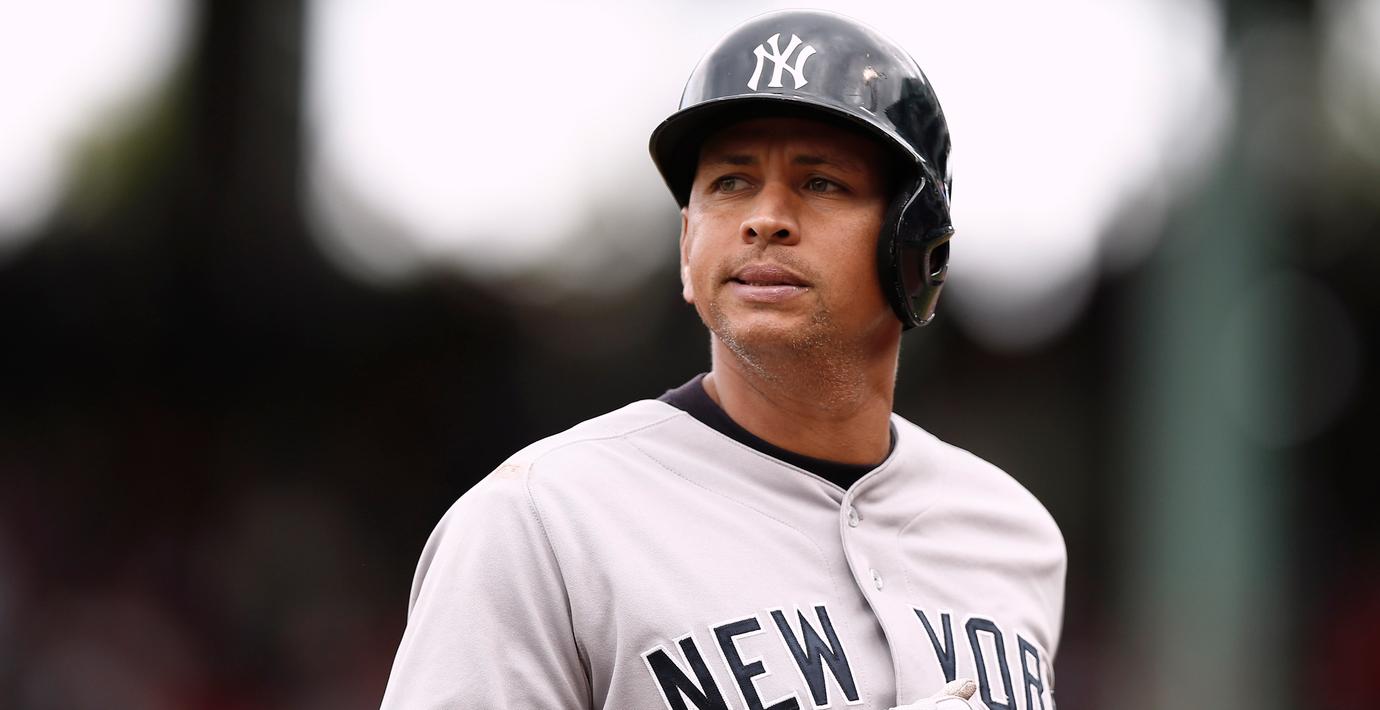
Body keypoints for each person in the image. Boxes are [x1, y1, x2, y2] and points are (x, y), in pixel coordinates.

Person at [380, 9, 1064, 710]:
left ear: (917, 246)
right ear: (688, 245)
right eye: (731, 183)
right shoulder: (539, 520)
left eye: (821, 182)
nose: (764, 218)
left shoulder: (1012, 536)